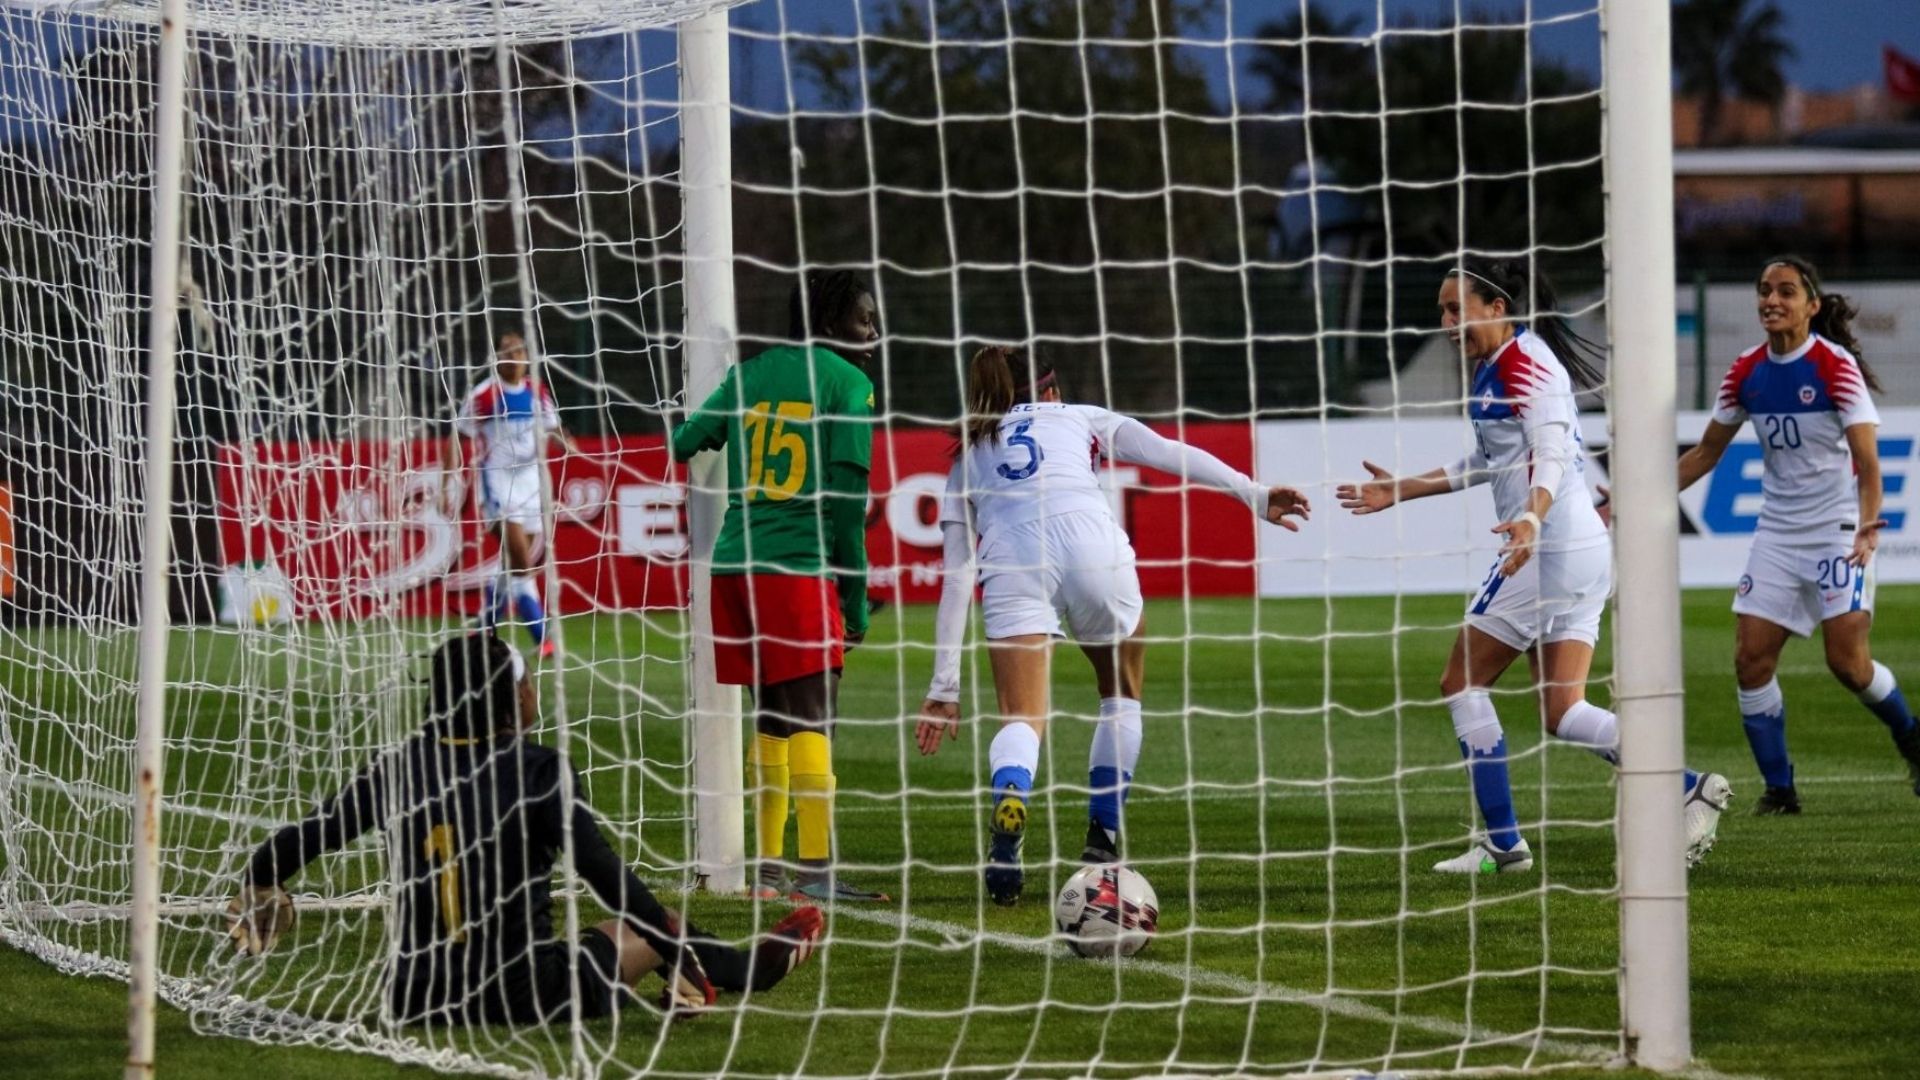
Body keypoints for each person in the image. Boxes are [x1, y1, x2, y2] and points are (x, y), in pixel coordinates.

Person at [1335, 257, 1731, 874]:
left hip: (1547, 550)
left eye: (1454, 308)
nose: (1445, 322)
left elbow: (1548, 453)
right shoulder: (1496, 367)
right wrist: (1402, 489)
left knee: (1460, 682)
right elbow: (1488, 460)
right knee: (1562, 710)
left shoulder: (1527, 362)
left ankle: (1503, 844)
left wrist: (1532, 517)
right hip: (1572, 549)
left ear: (1496, 307)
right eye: (1440, 311)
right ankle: (1687, 785)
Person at [226, 631, 824, 1023]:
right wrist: (672, 945)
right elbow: (605, 875)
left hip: (414, 996)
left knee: (636, 923)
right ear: (509, 696)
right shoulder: (539, 769)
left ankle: (696, 976)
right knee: (649, 922)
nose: (534, 689)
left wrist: (260, 886)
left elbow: (306, 835)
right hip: (523, 996)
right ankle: (739, 970)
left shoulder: (399, 765)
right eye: (526, 680)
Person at [913, 346, 1310, 905]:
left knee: (1023, 716)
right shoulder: (1080, 416)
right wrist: (1255, 493)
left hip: (1014, 557)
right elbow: (1170, 452)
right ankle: (1102, 836)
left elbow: (956, 576)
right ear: (1052, 390)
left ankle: (1011, 800)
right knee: (1120, 694)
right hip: (1092, 544)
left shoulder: (969, 452)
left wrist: (943, 689)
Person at [671, 269, 888, 903]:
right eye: (864, 319)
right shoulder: (848, 384)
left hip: (737, 567)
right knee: (815, 718)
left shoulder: (749, 376)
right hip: (797, 568)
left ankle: (768, 870)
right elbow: (849, 511)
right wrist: (854, 602)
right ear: (827, 325)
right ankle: (817, 874)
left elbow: (686, 441)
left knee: (770, 714)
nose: (873, 332)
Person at [1676, 255, 1920, 814]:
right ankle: (1780, 791)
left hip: (1837, 532)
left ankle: (1911, 735)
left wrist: (1866, 526)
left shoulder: (1834, 367)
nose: (1771, 300)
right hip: (1777, 536)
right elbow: (1707, 452)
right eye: (1765, 290)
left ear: (1811, 304)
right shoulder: (1745, 371)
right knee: (1750, 660)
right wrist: (1636, 500)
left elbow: (1868, 460)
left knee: (1848, 664)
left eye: (1786, 291)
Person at [443, 331, 577, 658]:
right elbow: (457, 436)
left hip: (532, 483)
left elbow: (552, 425)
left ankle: (483, 628)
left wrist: (565, 440)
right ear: (497, 358)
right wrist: (450, 482)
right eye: (506, 352)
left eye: (518, 353)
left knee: (512, 562)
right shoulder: (484, 395)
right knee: (520, 561)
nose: (513, 358)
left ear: (526, 358)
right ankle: (542, 636)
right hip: (498, 485)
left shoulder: (537, 391)